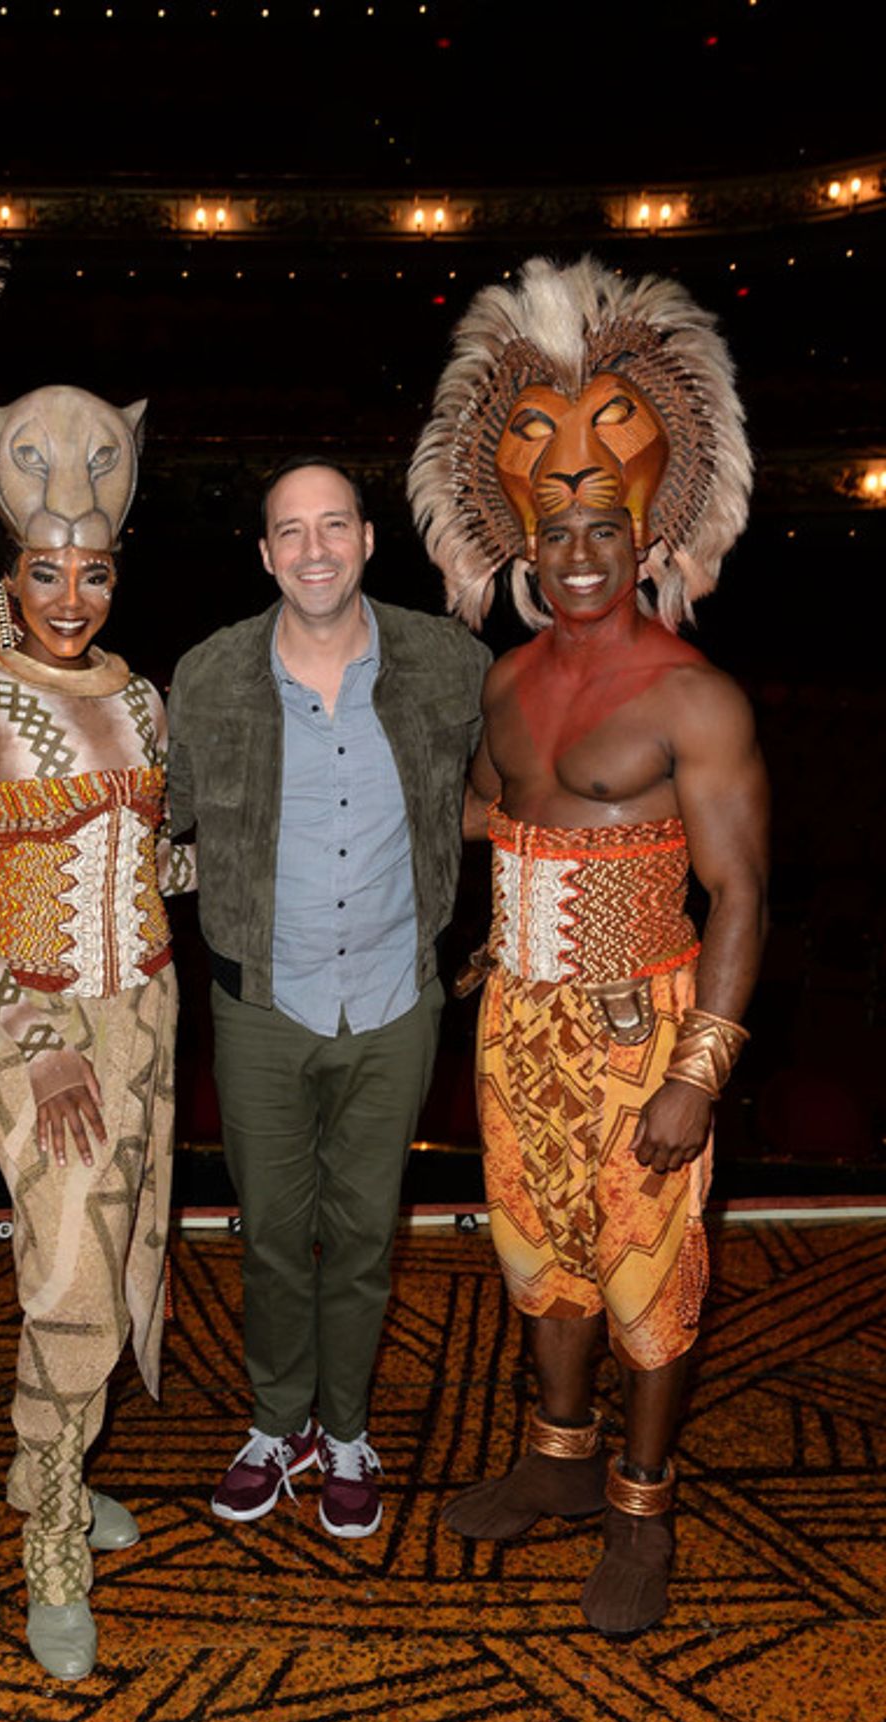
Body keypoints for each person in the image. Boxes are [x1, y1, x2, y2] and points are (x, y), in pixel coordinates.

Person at [409, 256, 769, 1635]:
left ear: (644, 542)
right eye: (553, 530)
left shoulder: (697, 698)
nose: (573, 552)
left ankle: (639, 1505)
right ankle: (557, 1464)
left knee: (650, 1279)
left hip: (644, 1033)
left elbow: (740, 894)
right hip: (519, 1023)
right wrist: (494, 926)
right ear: (525, 537)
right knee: (538, 1255)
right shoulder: (506, 679)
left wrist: (701, 1070)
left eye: (600, 532)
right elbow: (498, 814)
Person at [0, 385, 194, 1681]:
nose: (71, 594)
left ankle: (47, 1471)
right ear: (10, 572)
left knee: (120, 1241)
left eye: (93, 571)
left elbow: (140, 859)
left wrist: (232, 866)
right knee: (70, 1267)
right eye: (47, 571)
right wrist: (40, 1036)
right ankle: (55, 1545)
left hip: (144, 1004)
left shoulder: (139, 695)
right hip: (31, 1017)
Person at [168, 457, 488, 1539]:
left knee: (361, 1235)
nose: (313, 548)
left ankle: (344, 1430)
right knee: (269, 1234)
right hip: (262, 1003)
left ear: (364, 539)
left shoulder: (449, 664)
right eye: (289, 531)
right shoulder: (207, 677)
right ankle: (275, 1421)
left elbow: (501, 790)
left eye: (332, 526)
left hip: (395, 997)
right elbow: (150, 819)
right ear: (265, 555)